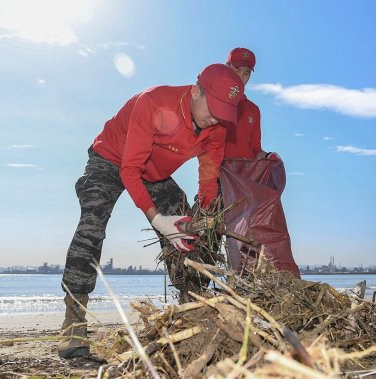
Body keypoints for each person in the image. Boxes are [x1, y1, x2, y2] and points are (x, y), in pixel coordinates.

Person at [57, 63, 244, 359]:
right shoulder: (154, 103)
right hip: (111, 159)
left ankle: (191, 308)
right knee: (92, 225)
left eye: (224, 113)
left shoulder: (216, 126)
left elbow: (209, 176)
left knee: (187, 227)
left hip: (153, 174)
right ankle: (73, 325)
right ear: (196, 91)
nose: (215, 119)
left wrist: (205, 217)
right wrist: (158, 221)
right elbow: (129, 169)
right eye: (214, 109)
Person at [221, 47, 300, 277]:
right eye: (237, 71)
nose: (241, 78)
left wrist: (268, 157)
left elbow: (254, 149)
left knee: (251, 234)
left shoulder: (253, 110)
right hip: (220, 180)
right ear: (226, 69)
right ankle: (193, 292)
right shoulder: (216, 104)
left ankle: (247, 282)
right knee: (207, 234)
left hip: (246, 183)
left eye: (246, 73)